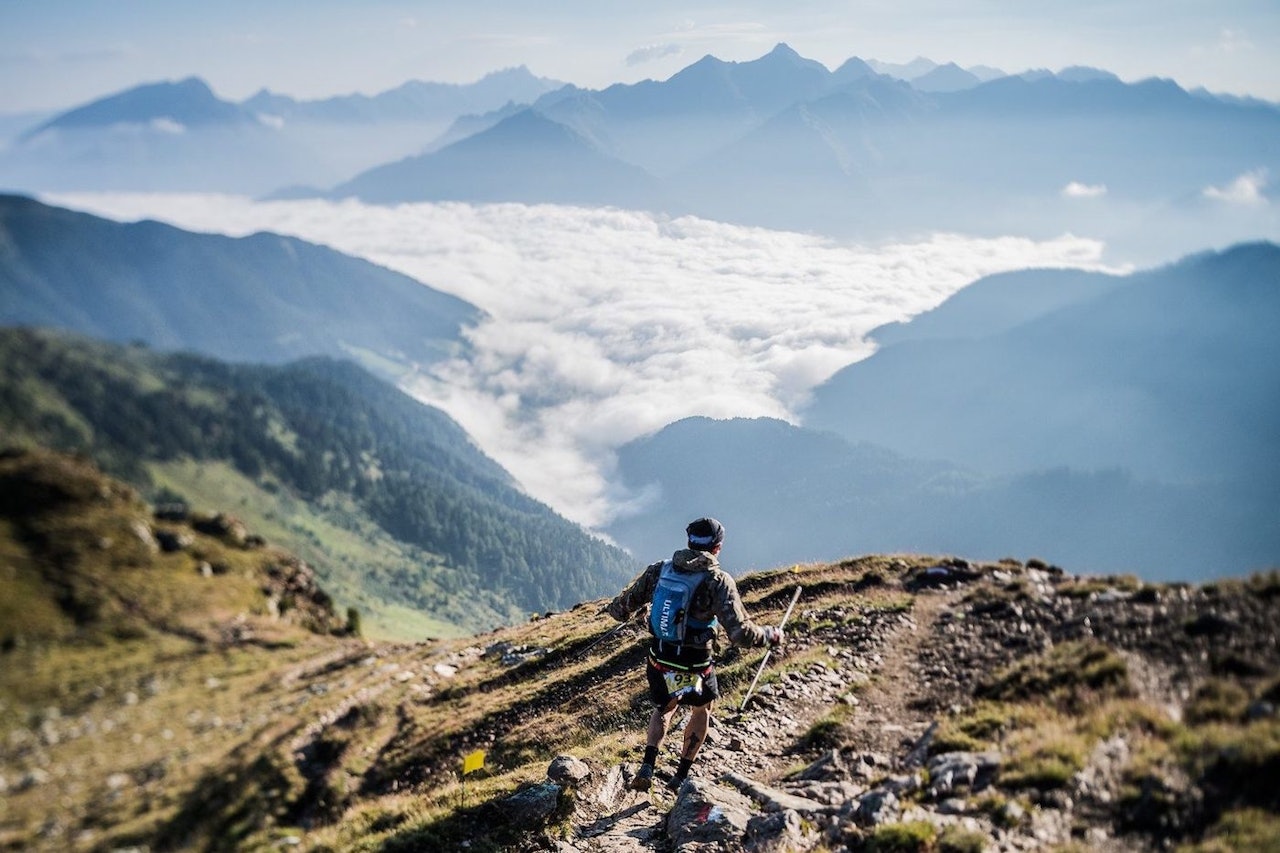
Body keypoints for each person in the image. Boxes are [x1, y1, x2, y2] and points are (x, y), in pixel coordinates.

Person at [607, 517, 783, 792]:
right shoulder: (717, 581)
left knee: (664, 706)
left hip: (660, 658)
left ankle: (648, 765)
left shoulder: (659, 571)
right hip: (695, 664)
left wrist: (618, 610)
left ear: (689, 540)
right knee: (702, 708)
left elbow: (622, 607)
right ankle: (679, 777)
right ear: (718, 547)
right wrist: (769, 636)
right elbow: (740, 633)